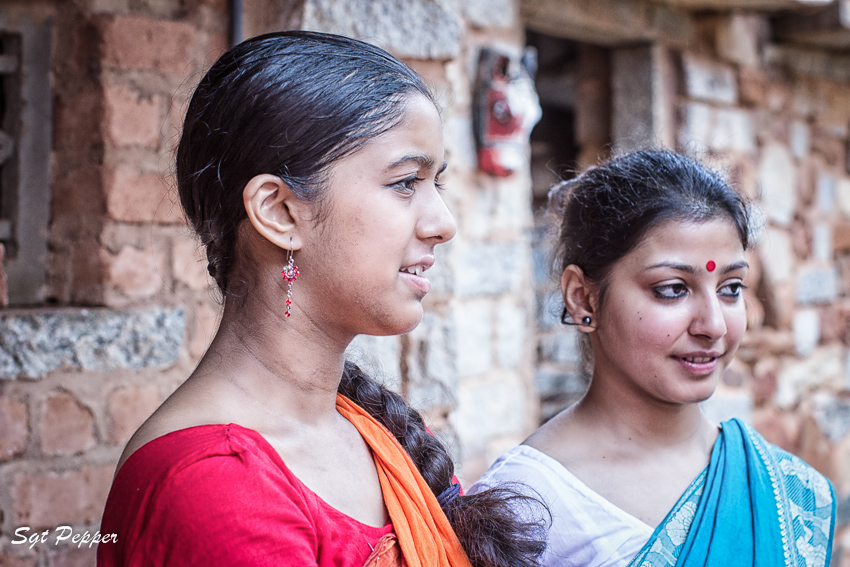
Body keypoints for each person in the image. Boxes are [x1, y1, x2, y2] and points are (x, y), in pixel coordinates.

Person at [97, 31, 546, 567]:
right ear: (280, 213)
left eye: (437, 185)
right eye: (405, 183)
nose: (443, 224)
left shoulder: (371, 430)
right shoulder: (215, 485)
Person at [471, 150, 836, 567]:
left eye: (731, 288)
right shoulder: (526, 506)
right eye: (672, 289)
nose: (713, 325)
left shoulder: (781, 490)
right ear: (582, 297)